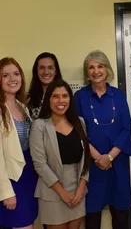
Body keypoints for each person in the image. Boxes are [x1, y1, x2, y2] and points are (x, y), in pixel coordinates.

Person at [74, 50, 131, 229]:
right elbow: (78, 131)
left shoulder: (119, 95)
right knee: (92, 217)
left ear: (107, 69)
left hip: (117, 162)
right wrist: (98, 157)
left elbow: (126, 128)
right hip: (92, 164)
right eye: (91, 67)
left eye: (100, 66)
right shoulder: (79, 97)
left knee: (121, 216)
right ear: (87, 72)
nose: (96, 71)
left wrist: (109, 157)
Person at [29, 79, 90, 229]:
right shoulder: (39, 125)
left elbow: (86, 157)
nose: (61, 100)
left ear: (70, 98)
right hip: (52, 191)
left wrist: (82, 186)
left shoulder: (80, 122)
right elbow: (39, 164)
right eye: (55, 96)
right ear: (48, 99)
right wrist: (61, 192)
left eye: (65, 96)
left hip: (77, 190)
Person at [0, 57, 38, 228]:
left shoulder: (22, 106)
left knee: (28, 223)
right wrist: (6, 191)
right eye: (5, 75)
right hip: (12, 179)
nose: (12, 79)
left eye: (16, 74)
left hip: (28, 175)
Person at [28, 52, 62, 120]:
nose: (46, 72)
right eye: (41, 68)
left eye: (50, 68)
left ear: (56, 71)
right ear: (36, 71)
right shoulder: (28, 99)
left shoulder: (64, 96)